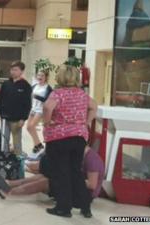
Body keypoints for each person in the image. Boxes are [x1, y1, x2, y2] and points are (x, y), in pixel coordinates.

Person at [42, 64, 97, 218]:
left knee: (61, 173)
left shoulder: (57, 94)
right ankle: (85, 207)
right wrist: (86, 122)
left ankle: (63, 208)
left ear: (61, 77)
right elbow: (94, 107)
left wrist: (47, 122)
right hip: (79, 137)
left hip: (59, 137)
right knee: (76, 172)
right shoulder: (82, 94)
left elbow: (47, 108)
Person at [0, 146, 104, 201]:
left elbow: (92, 185)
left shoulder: (91, 160)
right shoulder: (80, 154)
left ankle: (10, 192)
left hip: (84, 196)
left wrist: (67, 178)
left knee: (46, 182)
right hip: (75, 186)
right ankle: (10, 183)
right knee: (43, 176)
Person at [0, 61, 32, 155]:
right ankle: (4, 161)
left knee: (17, 143)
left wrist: (23, 118)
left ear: (21, 71)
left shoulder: (26, 86)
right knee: (4, 142)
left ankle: (19, 164)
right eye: (12, 70)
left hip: (17, 119)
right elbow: (0, 100)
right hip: (4, 117)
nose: (13, 72)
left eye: (16, 70)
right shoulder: (6, 84)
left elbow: (27, 104)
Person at [27, 70, 53, 160]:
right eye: (38, 75)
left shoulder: (48, 88)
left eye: (42, 75)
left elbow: (47, 99)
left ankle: (38, 145)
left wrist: (36, 97)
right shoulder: (34, 86)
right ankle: (37, 145)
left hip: (40, 110)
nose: (40, 77)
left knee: (32, 126)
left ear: (46, 77)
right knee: (28, 127)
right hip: (33, 108)